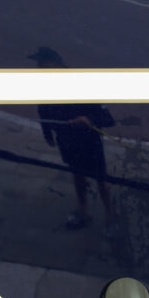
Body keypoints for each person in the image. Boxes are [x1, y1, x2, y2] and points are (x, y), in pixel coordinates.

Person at [30, 47, 115, 230]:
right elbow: (43, 111)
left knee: (101, 179)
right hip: (66, 141)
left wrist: (88, 119)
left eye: (42, 64)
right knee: (77, 176)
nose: (39, 68)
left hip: (88, 141)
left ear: (55, 63)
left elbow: (107, 118)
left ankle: (110, 217)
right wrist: (47, 133)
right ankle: (83, 212)